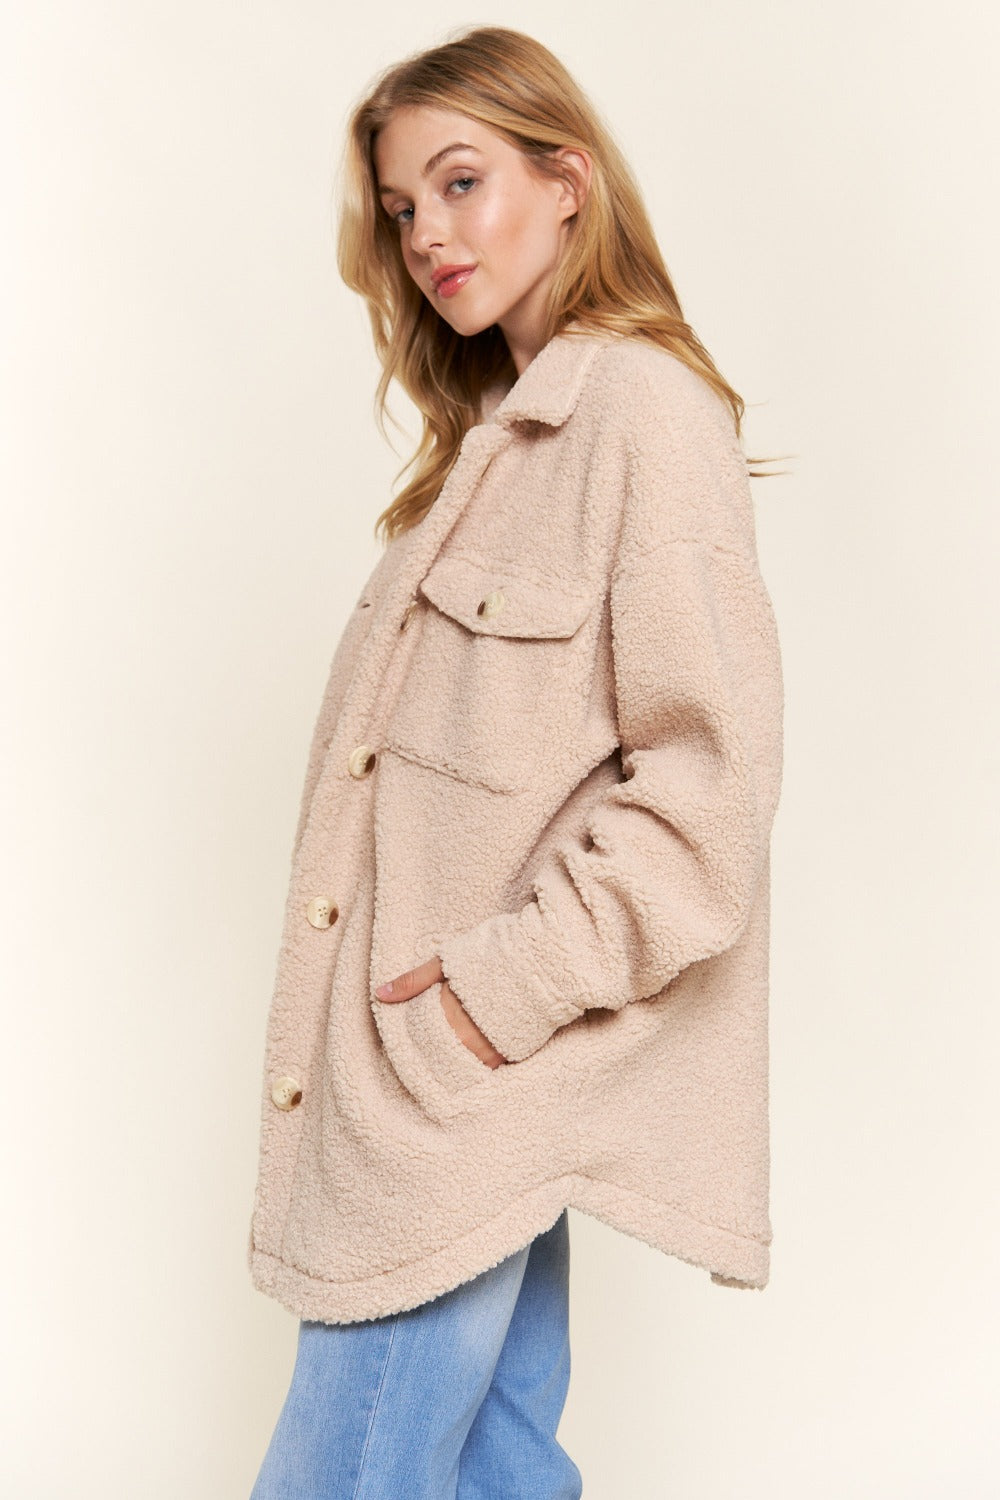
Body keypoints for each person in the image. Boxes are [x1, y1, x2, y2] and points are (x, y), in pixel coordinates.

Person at [247, 24, 785, 1499]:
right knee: (493, 1472)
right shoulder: (500, 444)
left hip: (467, 1087)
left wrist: (486, 1003)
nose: (426, 233)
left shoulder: (646, 417)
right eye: (401, 208)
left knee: (347, 1476)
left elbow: (705, 800)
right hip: (455, 1086)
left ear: (569, 182)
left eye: (461, 181)